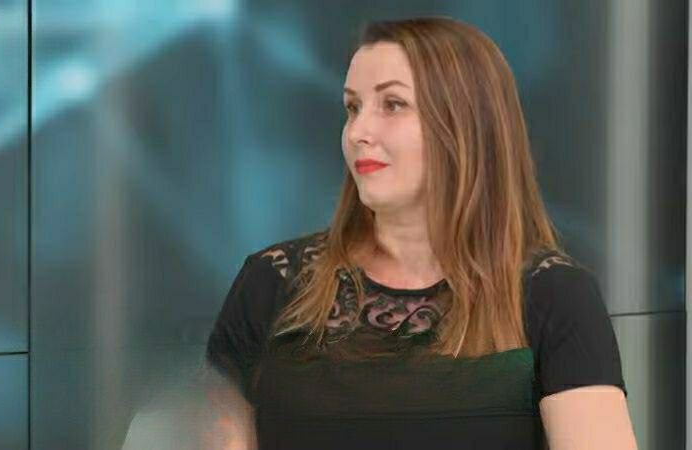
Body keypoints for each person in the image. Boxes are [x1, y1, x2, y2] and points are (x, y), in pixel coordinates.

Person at [203, 16, 638, 450]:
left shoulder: (555, 293)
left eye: (392, 104)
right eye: (352, 108)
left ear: (465, 123)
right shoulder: (272, 282)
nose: (358, 132)